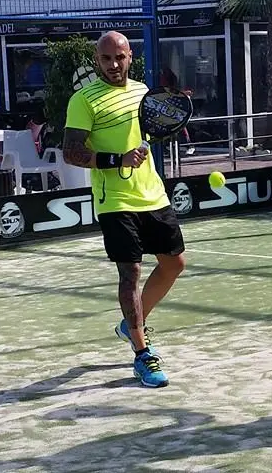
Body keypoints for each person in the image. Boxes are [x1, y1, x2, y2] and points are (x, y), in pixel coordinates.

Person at [62, 31, 186, 388]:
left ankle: (130, 322)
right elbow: (71, 151)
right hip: (114, 200)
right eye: (106, 59)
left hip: (152, 194)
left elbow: (149, 132)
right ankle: (142, 353)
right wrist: (117, 159)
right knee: (130, 272)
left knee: (175, 264)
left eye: (120, 57)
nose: (113, 65)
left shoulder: (144, 93)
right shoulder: (84, 100)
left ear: (130, 57)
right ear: (97, 61)